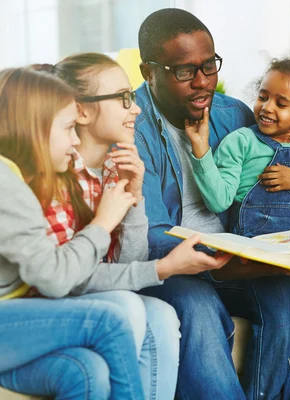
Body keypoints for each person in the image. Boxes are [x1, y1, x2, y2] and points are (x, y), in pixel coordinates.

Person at [134, 8, 290, 399]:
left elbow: (265, 182)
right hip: (181, 265)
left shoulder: (232, 114)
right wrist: (225, 262)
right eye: (184, 72)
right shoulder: (135, 130)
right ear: (149, 72)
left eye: (209, 66)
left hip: (247, 252)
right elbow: (151, 234)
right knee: (197, 308)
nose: (203, 83)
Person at [34, 53, 232, 399]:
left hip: (100, 291)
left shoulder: (115, 167)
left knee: (163, 317)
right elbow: (69, 280)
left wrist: (136, 200)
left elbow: (127, 266)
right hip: (51, 302)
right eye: (124, 99)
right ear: (81, 111)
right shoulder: (56, 177)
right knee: (134, 310)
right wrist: (163, 267)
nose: (137, 108)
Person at [0, 66, 145, 400]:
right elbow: (54, 278)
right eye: (68, 129)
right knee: (108, 320)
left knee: (83, 370)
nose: (75, 140)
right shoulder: (7, 185)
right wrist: (102, 223)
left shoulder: (17, 177)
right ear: (34, 128)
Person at [185, 57, 290, 237]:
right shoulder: (241, 141)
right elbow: (218, 202)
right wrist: (200, 150)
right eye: (263, 97)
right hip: (250, 247)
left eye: (281, 104)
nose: (267, 107)